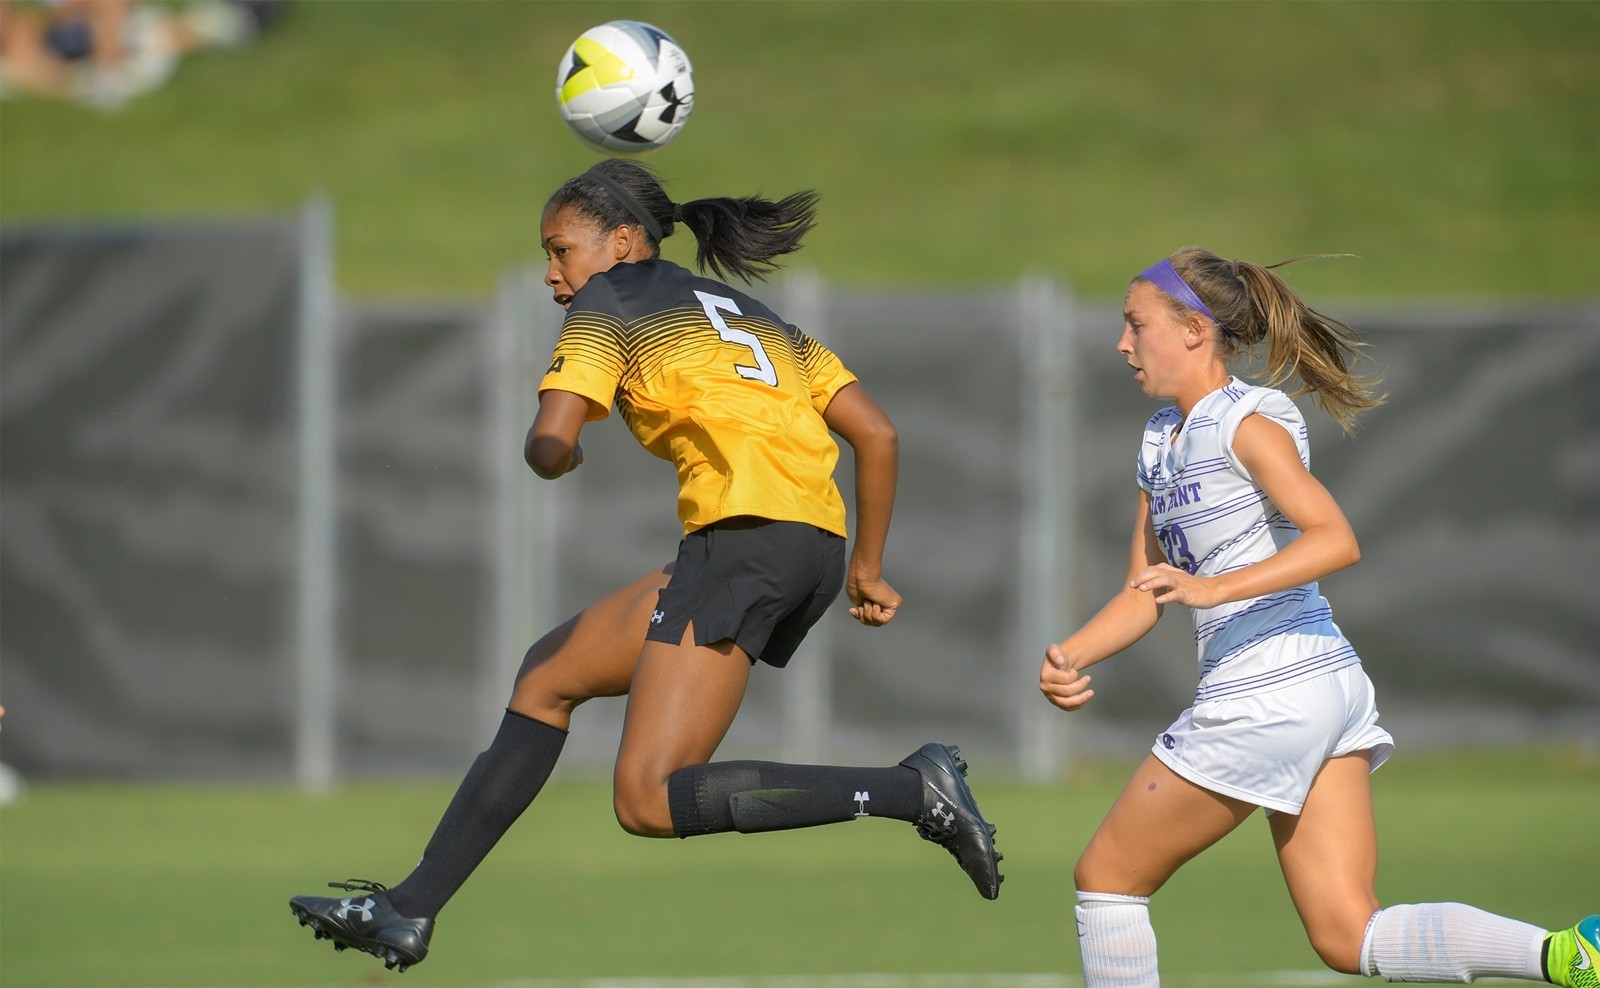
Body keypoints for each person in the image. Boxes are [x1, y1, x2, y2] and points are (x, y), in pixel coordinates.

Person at [289, 158, 1003, 973]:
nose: (554, 274)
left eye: (562, 249)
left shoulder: (610, 301)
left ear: (623, 242)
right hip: (806, 546)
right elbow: (878, 434)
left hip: (743, 542)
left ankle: (915, 792)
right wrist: (868, 569)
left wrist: (555, 456)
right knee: (547, 676)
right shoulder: (753, 313)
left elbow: (551, 440)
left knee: (650, 798)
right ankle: (409, 909)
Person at [1037, 247, 1597, 988]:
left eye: (1135, 325)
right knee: (1346, 933)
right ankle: (1568, 955)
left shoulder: (1243, 423)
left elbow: (1335, 537)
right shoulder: (1157, 442)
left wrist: (1215, 588)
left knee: (1107, 878)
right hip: (1320, 689)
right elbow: (1146, 588)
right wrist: (1071, 654)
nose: (1123, 343)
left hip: (1266, 689)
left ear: (1195, 331)